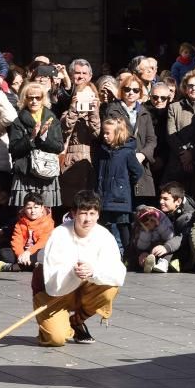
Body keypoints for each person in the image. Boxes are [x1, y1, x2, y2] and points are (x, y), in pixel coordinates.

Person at [32, 190, 127, 346]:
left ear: (98, 215)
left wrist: (94, 271)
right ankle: (51, 326)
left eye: (92, 213)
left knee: (110, 287)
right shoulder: (59, 235)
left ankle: (76, 320)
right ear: (74, 214)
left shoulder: (104, 236)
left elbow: (117, 273)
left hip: (84, 287)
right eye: (83, 213)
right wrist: (73, 272)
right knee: (56, 339)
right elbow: (52, 284)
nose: (87, 219)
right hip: (53, 292)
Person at [8, 82, 65, 208]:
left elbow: (59, 147)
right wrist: (31, 137)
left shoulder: (52, 119)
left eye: (38, 98)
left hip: (47, 172)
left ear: (43, 99)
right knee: (24, 214)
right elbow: (13, 149)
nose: (34, 101)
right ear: (25, 99)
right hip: (25, 173)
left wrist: (44, 137)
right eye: (30, 97)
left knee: (45, 215)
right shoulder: (18, 121)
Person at [105, 74, 157, 207]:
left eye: (135, 90)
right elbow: (111, 137)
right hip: (120, 164)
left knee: (141, 211)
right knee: (121, 211)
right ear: (121, 90)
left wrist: (143, 154)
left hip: (140, 165)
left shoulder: (144, 112)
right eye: (127, 89)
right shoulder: (112, 110)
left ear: (140, 92)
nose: (131, 93)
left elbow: (151, 139)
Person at [58, 60, 101, 221]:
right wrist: (74, 109)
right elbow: (65, 130)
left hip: (90, 160)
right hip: (71, 160)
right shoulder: (67, 110)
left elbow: (96, 133)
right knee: (71, 203)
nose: (81, 76)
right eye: (77, 73)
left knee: (88, 204)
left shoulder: (97, 111)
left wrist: (94, 111)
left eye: (84, 73)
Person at [95, 117, 143, 255]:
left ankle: (129, 255)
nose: (104, 136)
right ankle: (108, 254)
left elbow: (137, 171)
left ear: (118, 133)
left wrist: (122, 184)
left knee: (123, 226)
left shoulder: (126, 152)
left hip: (120, 197)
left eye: (108, 133)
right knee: (105, 227)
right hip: (103, 196)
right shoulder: (102, 151)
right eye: (103, 133)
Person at [163, 71, 195, 190]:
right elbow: (171, 135)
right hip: (177, 164)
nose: (194, 88)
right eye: (190, 85)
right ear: (185, 88)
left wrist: (192, 154)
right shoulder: (174, 107)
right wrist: (184, 155)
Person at [10, 192, 55, 271]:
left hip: (37, 250)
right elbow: (17, 240)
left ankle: (19, 266)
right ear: (24, 208)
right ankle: (25, 264)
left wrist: (28, 252)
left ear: (42, 208)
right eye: (29, 208)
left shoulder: (48, 222)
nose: (33, 211)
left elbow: (43, 242)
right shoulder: (20, 223)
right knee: (5, 254)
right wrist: (21, 255)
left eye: (36, 207)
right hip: (24, 252)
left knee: (44, 253)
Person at [157, 181, 195, 271]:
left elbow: (182, 237)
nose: (161, 202)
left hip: (182, 251)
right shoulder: (168, 211)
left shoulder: (188, 216)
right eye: (161, 198)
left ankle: (170, 261)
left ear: (178, 201)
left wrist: (166, 248)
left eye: (165, 199)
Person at [130, 206, 176, 273]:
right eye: (146, 222)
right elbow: (142, 246)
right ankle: (148, 263)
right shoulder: (141, 228)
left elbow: (170, 237)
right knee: (141, 255)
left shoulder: (163, 221)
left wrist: (159, 225)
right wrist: (146, 231)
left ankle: (163, 263)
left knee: (168, 250)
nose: (150, 223)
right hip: (149, 248)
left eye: (152, 220)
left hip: (163, 245)